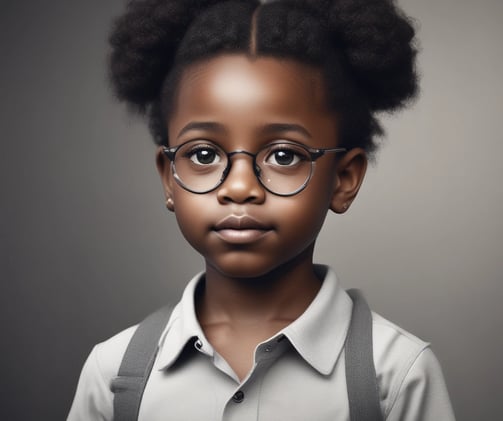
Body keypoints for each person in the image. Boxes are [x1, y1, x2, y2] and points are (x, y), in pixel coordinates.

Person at [67, 0, 455, 419]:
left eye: (284, 156)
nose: (239, 187)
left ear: (344, 179)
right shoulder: (114, 375)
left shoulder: (394, 376)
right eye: (202, 154)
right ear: (168, 178)